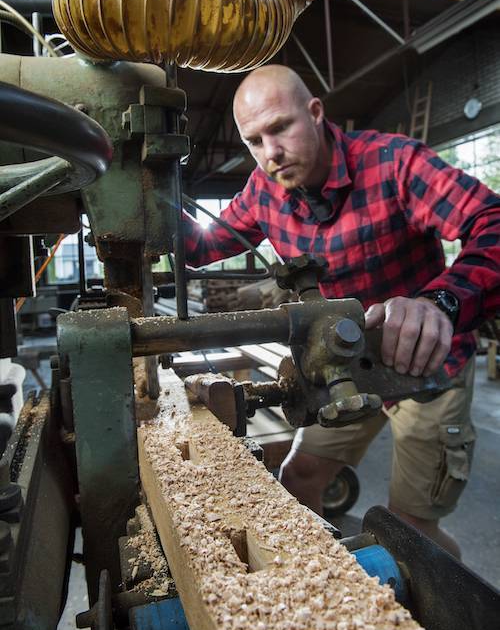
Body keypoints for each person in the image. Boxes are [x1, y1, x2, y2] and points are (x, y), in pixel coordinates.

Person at [183, 64, 500, 557]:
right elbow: (200, 246)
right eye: (254, 140)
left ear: (314, 113)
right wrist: (144, 193)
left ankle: (451, 618)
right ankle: (319, 582)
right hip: (346, 364)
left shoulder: (394, 162)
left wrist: (441, 302)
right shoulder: (264, 192)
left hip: (428, 368)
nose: (271, 152)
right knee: (297, 478)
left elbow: (492, 222)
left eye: (280, 127)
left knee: (408, 534)